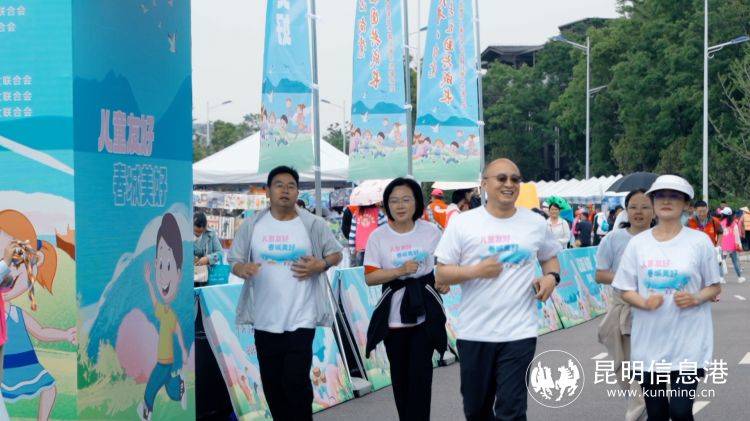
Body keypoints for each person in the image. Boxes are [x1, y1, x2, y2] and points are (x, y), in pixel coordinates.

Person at [434, 158, 562, 420]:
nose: (509, 184)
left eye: (515, 179)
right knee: (476, 410)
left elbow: (550, 257)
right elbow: (441, 272)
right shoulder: (463, 223)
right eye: (501, 178)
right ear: (483, 184)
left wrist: (551, 278)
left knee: (512, 410)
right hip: (475, 332)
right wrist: (476, 271)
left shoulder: (535, 222)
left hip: (519, 332)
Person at [228, 166, 343, 421]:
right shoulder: (253, 225)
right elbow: (234, 259)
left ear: (297, 192)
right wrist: (242, 268)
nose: (285, 190)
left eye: (291, 186)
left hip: (302, 316)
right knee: (273, 385)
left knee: (295, 382)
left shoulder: (312, 223)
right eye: (279, 185)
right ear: (268, 191)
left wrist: (321, 264)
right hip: (265, 319)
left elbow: (336, 253)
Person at [613, 175, 721, 421]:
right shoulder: (639, 244)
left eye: (674, 196)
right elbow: (624, 287)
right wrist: (643, 302)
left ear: (686, 205)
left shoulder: (699, 242)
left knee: (680, 411)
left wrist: (695, 298)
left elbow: (714, 287)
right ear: (653, 202)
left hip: (689, 342)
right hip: (650, 343)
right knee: (657, 414)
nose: (667, 201)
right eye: (661, 196)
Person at [363, 177, 447, 421]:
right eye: (394, 200)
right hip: (393, 322)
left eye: (406, 199)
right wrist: (399, 271)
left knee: (420, 380)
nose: (400, 205)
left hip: (424, 315)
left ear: (416, 203)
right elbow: (370, 277)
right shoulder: (378, 237)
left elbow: (444, 264)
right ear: (387, 205)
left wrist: (443, 281)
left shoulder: (431, 232)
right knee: (401, 382)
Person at [595, 189, 655, 421]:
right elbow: (600, 275)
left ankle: (643, 414)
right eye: (633, 207)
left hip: (656, 311)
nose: (639, 212)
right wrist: (626, 277)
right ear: (625, 211)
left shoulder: (663, 237)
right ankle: (646, 410)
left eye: (645, 207)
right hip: (623, 309)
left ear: (654, 211)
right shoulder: (613, 239)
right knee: (626, 370)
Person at [193, 212, 223, 285]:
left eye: (201, 232)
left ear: (205, 227)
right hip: (189, 277)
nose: (198, 234)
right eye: (195, 231)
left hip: (206, 278)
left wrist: (208, 259)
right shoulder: (184, 234)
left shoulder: (211, 234)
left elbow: (220, 254)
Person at [719, 207, 745, 282]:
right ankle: (740, 277)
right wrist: (739, 244)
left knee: (721, 261)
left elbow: (719, 234)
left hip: (723, 245)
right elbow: (736, 235)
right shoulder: (734, 223)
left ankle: (721, 278)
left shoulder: (721, 223)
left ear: (724, 214)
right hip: (732, 245)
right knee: (735, 262)